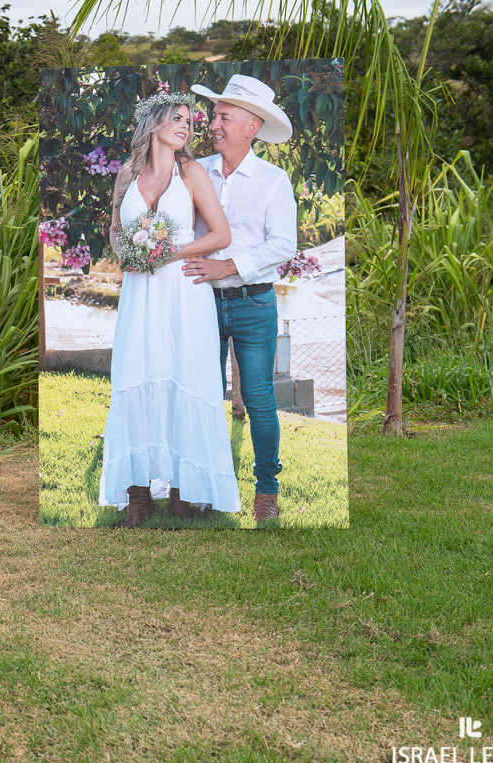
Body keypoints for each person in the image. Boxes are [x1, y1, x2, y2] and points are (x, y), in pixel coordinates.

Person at [98, 93, 241, 527]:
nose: (186, 126)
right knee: (137, 374)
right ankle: (138, 496)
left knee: (185, 377)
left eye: (189, 121)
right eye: (177, 118)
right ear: (153, 123)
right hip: (141, 296)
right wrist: (130, 256)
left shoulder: (192, 172)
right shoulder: (127, 174)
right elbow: (117, 232)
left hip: (183, 293)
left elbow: (221, 234)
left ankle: (183, 492)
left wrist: (171, 251)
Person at [183, 74, 298, 522]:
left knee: (260, 399)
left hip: (254, 303)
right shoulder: (195, 171)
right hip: (202, 303)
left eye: (223, 116)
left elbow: (283, 245)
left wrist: (227, 266)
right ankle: (207, 485)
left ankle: (266, 490)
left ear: (251, 126)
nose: (213, 123)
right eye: (214, 114)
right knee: (206, 394)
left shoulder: (273, 181)